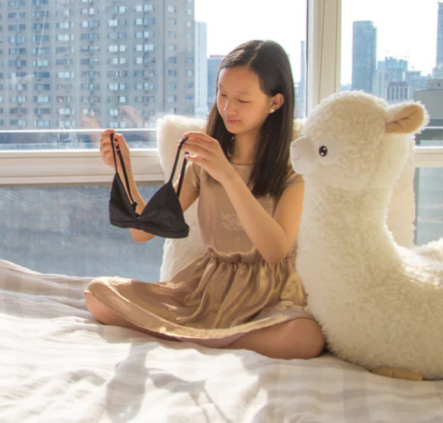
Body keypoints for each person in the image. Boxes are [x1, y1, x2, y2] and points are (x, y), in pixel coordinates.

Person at [84, 40, 325, 360]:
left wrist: (228, 175)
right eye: (222, 95)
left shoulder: (291, 169)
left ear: (275, 102)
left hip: (268, 298)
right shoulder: (203, 162)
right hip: (205, 292)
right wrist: (122, 169)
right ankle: (211, 336)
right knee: (98, 294)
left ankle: (196, 338)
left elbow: (275, 249)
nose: (228, 108)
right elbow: (143, 231)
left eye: (242, 99)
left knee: (305, 337)